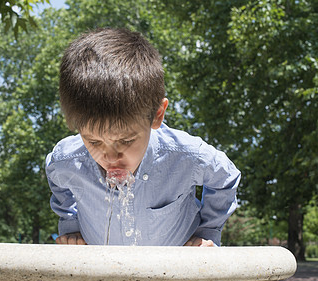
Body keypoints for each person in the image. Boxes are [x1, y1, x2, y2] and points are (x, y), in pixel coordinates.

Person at [45, 27, 241, 247]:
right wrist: (71, 225)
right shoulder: (67, 161)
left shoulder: (186, 156)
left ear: (157, 115)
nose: (110, 157)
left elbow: (226, 178)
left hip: (174, 272)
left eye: (126, 141)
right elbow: (56, 177)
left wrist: (207, 231)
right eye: (94, 142)